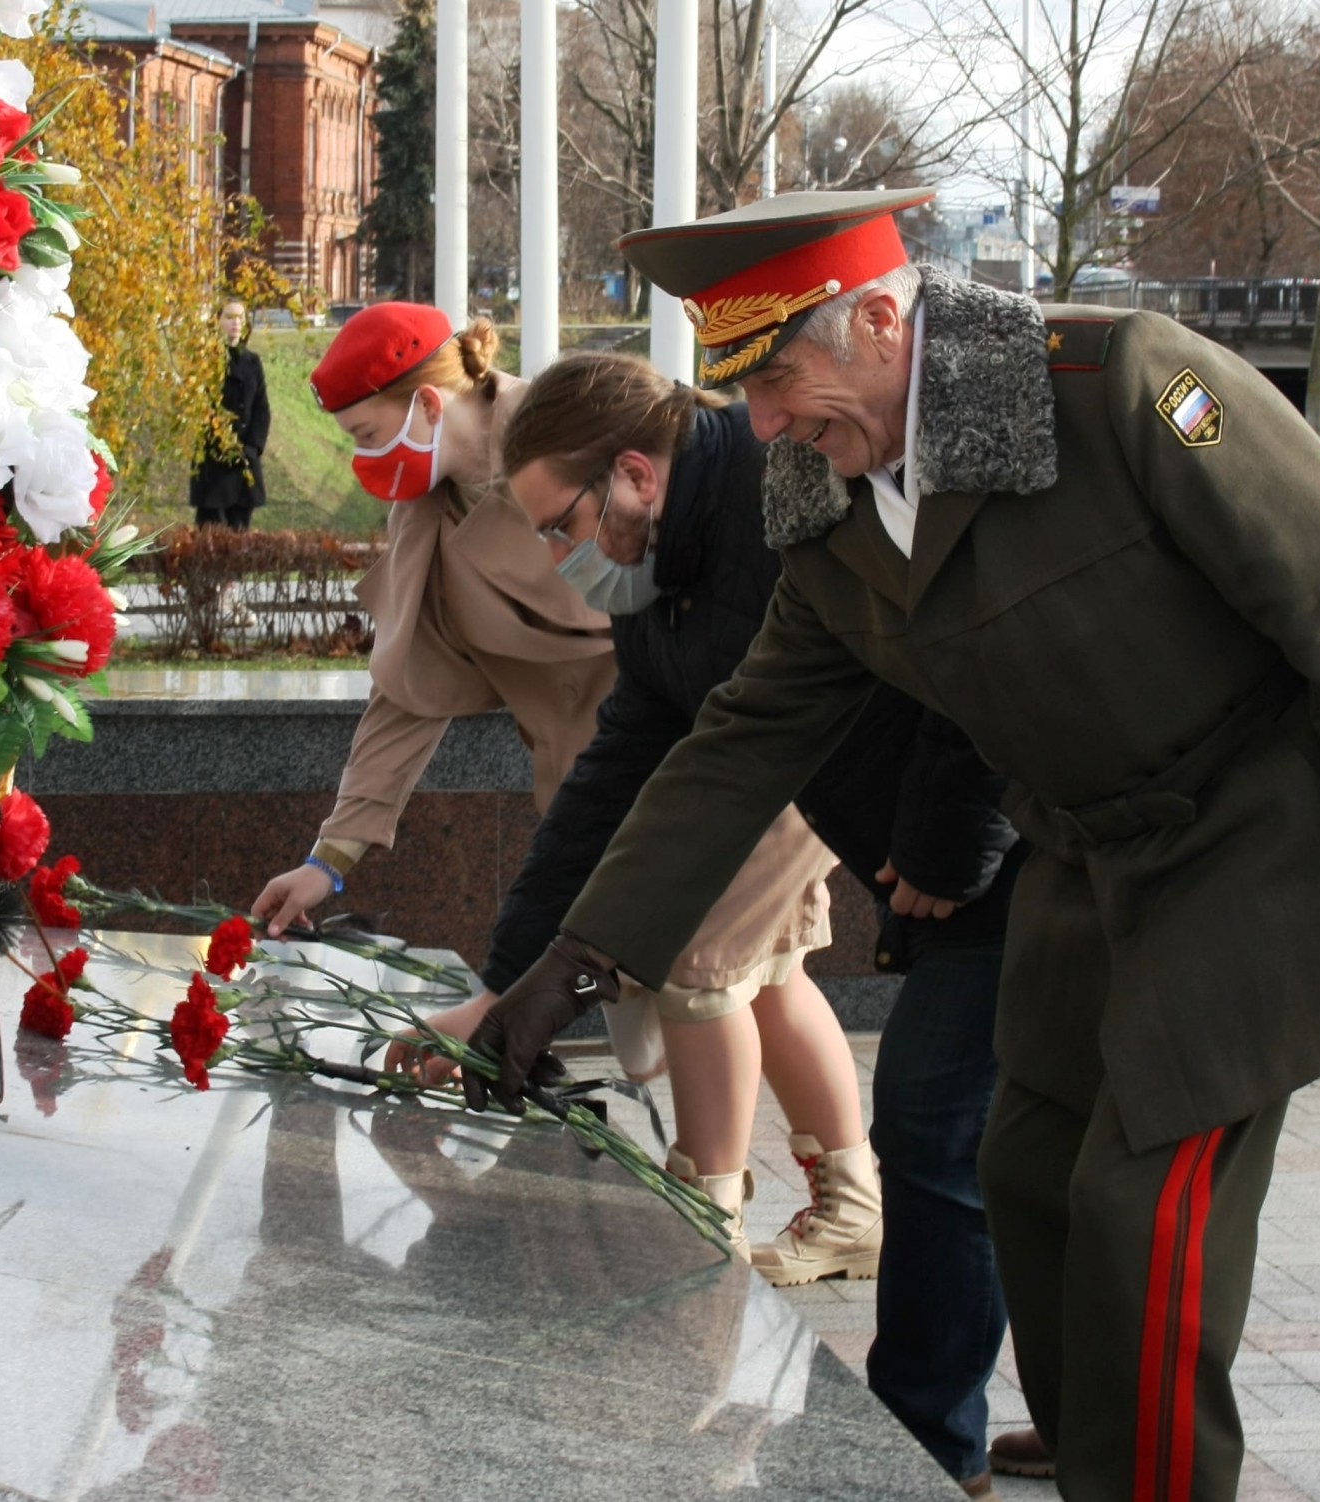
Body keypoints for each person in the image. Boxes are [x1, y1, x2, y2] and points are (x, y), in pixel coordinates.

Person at [466, 189, 1320, 1502]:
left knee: (1151, 1205)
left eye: (780, 375)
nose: (767, 418)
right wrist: (572, 960)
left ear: (887, 319)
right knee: (1021, 1165)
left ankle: (1150, 1475)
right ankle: (1094, 1432)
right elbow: (741, 742)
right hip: (1090, 852)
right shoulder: (825, 492)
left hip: (1261, 841)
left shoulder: (1124, 387)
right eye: (748, 385)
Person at [385, 352, 1029, 1492]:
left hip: (1015, 844)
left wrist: (944, 840)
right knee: (991, 1138)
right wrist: (512, 978)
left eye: (560, 524)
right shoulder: (660, 578)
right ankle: (988, 1423)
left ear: (635, 474)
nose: (555, 555)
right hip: (915, 848)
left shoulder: (786, 505)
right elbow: (628, 774)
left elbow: (970, 644)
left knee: (941, 1124)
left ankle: (925, 1444)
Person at [252, 304, 616, 928]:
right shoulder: (425, 513)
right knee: (651, 997)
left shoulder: (580, 431)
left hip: (691, 756)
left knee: (713, 993)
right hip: (589, 788)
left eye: (367, 435)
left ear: (426, 405)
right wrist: (329, 859)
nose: (362, 459)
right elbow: (407, 688)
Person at [189, 298, 271, 531]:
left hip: (244, 461)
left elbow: (261, 409)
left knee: (240, 534)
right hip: (213, 465)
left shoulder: (252, 362)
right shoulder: (206, 360)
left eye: (240, 317)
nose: (236, 323)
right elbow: (200, 409)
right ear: (217, 321)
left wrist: (253, 448)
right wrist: (222, 445)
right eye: (229, 317)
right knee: (211, 536)